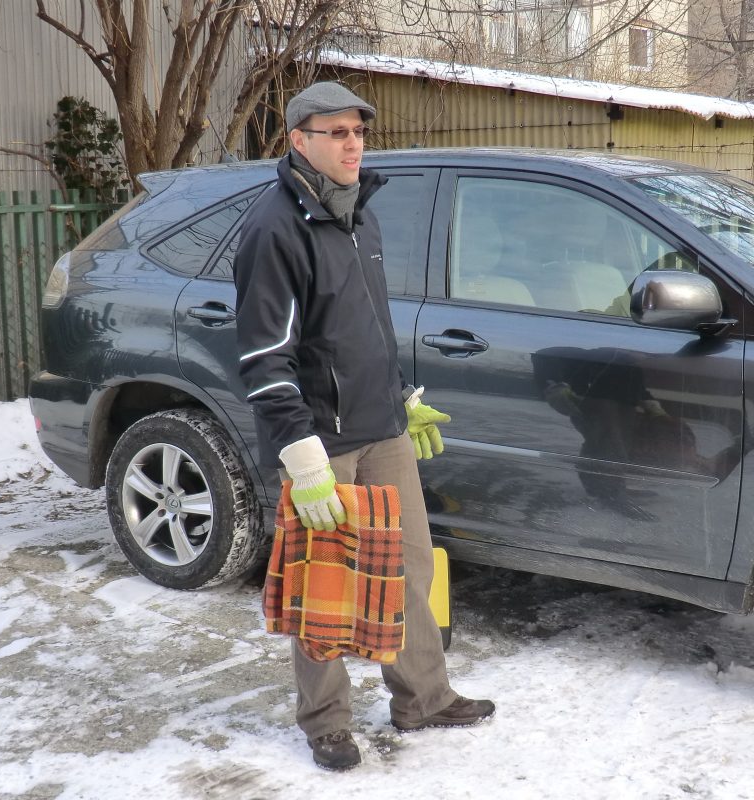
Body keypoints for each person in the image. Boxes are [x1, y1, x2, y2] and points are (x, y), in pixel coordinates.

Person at [232, 81, 494, 771]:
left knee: (409, 566)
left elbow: (365, 328)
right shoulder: (275, 228)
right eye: (337, 132)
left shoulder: (358, 215)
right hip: (321, 442)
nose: (353, 145)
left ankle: (423, 698)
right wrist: (301, 456)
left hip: (381, 428)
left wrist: (399, 398)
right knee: (324, 584)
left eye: (359, 132)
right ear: (299, 140)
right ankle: (325, 722)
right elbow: (265, 356)